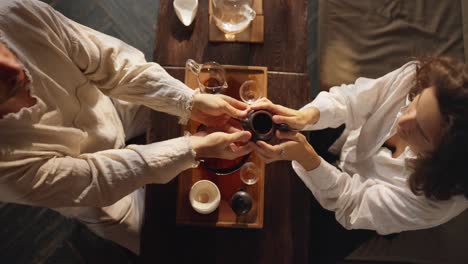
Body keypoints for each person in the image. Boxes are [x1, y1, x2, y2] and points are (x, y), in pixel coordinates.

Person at [0, 0, 256, 255]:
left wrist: (189, 101)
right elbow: (95, 178)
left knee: (178, 95)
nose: (13, 66)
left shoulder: (13, 13)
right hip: (90, 191)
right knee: (165, 243)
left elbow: (111, 63)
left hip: (107, 107)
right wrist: (193, 148)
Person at [251, 56, 468, 262]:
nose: (402, 120)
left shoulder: (436, 200)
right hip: (347, 143)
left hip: (360, 211)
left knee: (284, 248)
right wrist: (306, 116)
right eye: (416, 103)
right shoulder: (415, 79)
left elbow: (352, 203)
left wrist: (308, 159)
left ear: (442, 159)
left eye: (420, 131)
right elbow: (353, 99)